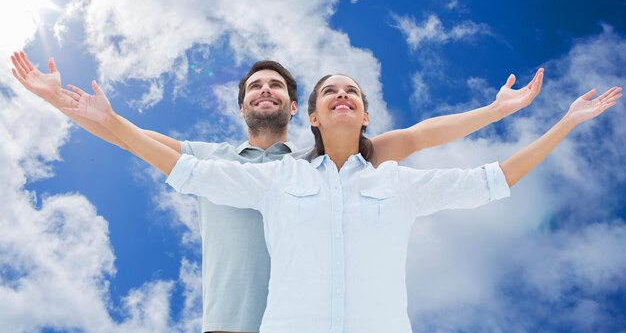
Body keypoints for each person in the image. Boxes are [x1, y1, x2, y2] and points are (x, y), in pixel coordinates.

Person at [12, 50, 544, 333]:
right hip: (229, 323)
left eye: (277, 87)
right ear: (241, 106)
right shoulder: (208, 159)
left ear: (296, 110)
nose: (265, 92)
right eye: (254, 87)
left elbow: (423, 135)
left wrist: (496, 112)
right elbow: (120, 131)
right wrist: (60, 101)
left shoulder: (327, 164)